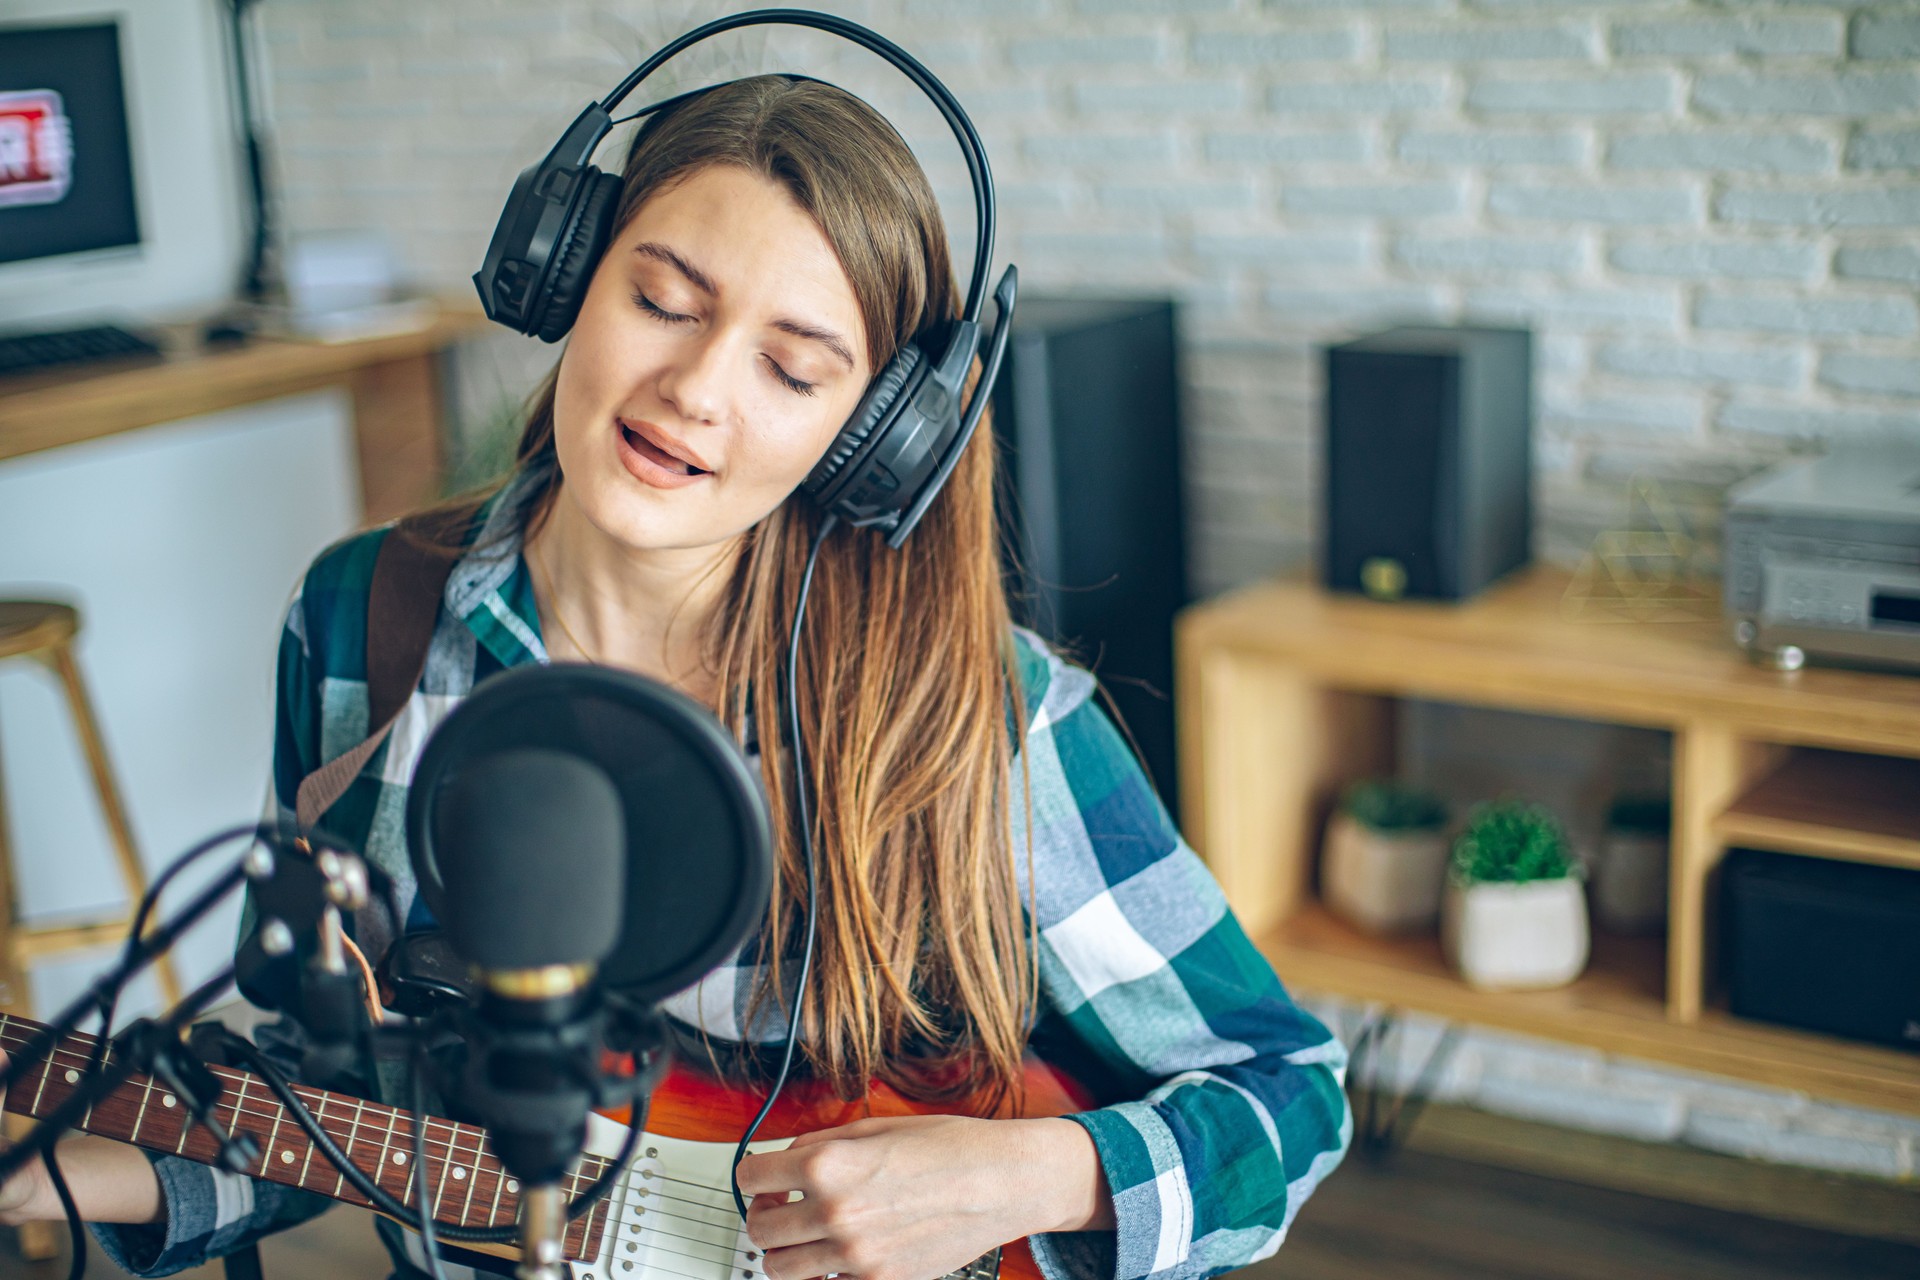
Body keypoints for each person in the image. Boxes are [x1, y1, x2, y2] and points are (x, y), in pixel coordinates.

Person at [0, 73, 1349, 1280]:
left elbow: (1289, 1095)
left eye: (792, 366)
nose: (698, 386)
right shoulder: (363, 621)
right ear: (562, 276)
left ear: (872, 438)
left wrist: (1027, 1176)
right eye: (660, 299)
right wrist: (45, 1163)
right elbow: (321, 1099)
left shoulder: (975, 713)